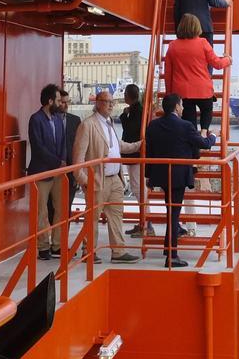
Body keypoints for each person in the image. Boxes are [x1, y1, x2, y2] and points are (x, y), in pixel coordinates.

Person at [72, 90, 142, 263]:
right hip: (97, 179)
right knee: (93, 217)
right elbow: (78, 159)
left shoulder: (109, 123)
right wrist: (85, 181)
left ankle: (118, 251)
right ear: (97, 103)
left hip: (115, 178)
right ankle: (88, 252)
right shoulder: (88, 125)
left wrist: (139, 145)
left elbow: (117, 147)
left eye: (112, 102)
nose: (111, 105)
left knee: (117, 215)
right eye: (106, 101)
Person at [146, 93, 216, 265]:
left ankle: (167, 248)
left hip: (161, 175)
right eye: (182, 105)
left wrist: (149, 175)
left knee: (171, 211)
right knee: (174, 213)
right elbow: (204, 144)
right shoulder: (186, 126)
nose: (183, 108)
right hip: (178, 176)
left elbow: (150, 152)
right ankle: (172, 255)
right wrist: (213, 137)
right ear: (177, 107)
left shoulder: (153, 126)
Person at [164, 13, 231, 134]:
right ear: (197, 27)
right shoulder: (203, 43)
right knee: (207, 109)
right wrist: (228, 60)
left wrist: (169, 93)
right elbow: (217, 64)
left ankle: (194, 144)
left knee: (189, 124)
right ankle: (204, 131)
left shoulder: (172, 46)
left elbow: (168, 72)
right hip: (203, 89)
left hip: (182, 92)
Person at [28, 84, 69, 261]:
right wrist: (57, 162)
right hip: (42, 172)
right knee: (41, 212)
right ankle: (43, 247)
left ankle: (57, 245)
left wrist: (62, 162)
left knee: (61, 209)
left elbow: (63, 143)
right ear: (50, 101)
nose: (61, 103)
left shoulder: (59, 119)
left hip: (59, 172)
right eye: (59, 100)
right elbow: (38, 147)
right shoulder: (35, 119)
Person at [119, 84, 154, 238]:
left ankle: (146, 223)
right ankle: (144, 222)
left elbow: (130, 130)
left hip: (135, 153)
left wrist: (123, 116)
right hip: (135, 153)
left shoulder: (136, 111)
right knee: (138, 188)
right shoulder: (139, 110)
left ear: (128, 95)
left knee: (138, 188)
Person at [57, 89, 83, 210]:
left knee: (67, 207)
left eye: (68, 102)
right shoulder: (49, 120)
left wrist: (78, 172)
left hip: (71, 171)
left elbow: (80, 147)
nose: (66, 105)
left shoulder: (75, 120)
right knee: (52, 209)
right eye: (63, 102)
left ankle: (65, 230)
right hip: (53, 170)